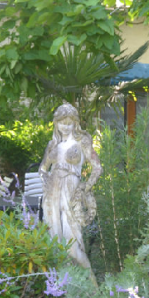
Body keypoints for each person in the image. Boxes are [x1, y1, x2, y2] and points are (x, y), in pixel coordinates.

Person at [39, 102, 101, 269]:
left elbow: (97, 168)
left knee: (73, 245)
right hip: (52, 194)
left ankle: (92, 287)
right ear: (56, 123)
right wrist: (45, 179)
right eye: (61, 123)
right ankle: (66, 287)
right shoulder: (53, 144)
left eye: (69, 123)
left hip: (71, 192)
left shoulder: (82, 141)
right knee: (55, 241)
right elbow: (43, 169)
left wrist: (85, 188)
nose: (65, 127)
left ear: (75, 123)